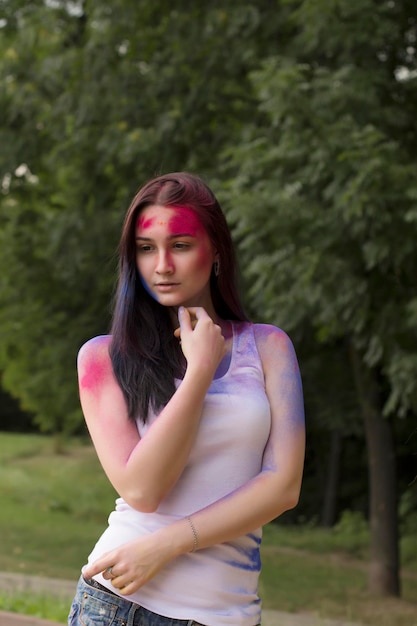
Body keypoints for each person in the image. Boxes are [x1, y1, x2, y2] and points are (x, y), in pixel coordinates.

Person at [68, 172, 305, 626]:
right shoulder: (103, 358)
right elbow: (143, 490)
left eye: (180, 245)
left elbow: (283, 487)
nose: (161, 265)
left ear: (214, 250)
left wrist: (168, 544)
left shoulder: (269, 348)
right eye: (145, 248)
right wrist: (198, 373)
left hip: (230, 615)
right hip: (122, 605)